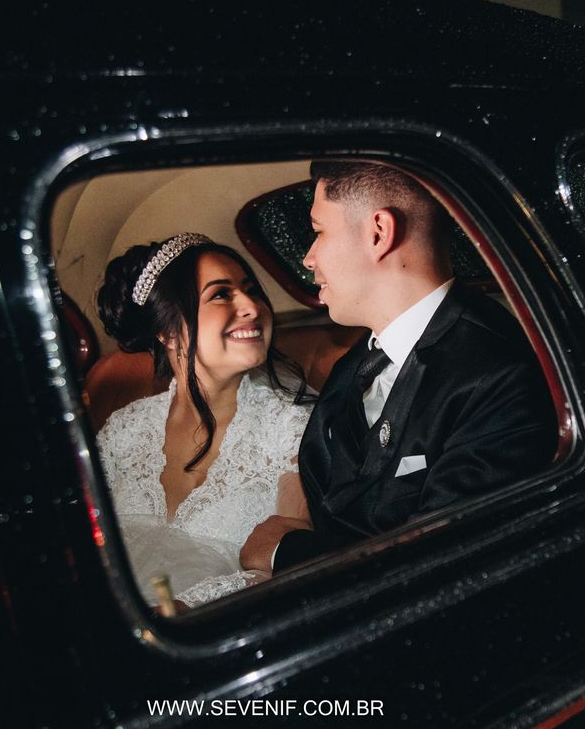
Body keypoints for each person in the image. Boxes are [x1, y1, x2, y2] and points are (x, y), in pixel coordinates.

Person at [240, 162, 558, 573]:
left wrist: (285, 553)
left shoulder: (499, 374)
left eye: (318, 232)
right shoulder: (362, 357)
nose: (308, 257)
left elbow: (446, 564)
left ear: (378, 233)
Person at [95, 233, 312, 608]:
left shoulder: (291, 425)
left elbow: (289, 565)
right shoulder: (122, 431)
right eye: (221, 294)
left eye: (250, 290)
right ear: (168, 332)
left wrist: (184, 610)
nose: (252, 306)